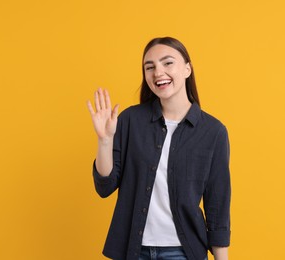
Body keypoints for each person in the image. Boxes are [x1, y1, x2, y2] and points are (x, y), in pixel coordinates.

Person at [87, 37, 231, 260]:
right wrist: (104, 141)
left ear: (187, 69)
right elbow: (104, 186)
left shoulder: (213, 132)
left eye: (167, 63)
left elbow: (217, 206)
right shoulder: (129, 121)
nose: (158, 72)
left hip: (183, 252)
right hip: (132, 250)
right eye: (149, 67)